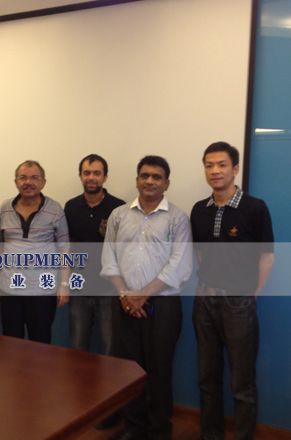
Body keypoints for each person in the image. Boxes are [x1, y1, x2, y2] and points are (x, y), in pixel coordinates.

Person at [101, 155, 192, 440]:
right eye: (144, 175)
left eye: (156, 177)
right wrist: (126, 296)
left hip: (162, 305)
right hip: (124, 302)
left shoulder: (178, 218)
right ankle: (133, 427)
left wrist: (141, 296)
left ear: (166, 183)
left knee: (159, 367)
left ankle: (159, 429)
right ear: (137, 180)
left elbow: (179, 265)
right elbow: (109, 259)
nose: (149, 181)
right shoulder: (118, 215)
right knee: (127, 370)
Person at [190, 141, 275, 440]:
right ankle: (210, 435)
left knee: (242, 383)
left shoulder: (254, 207)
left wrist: (251, 294)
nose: (215, 171)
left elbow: (267, 258)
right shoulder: (199, 209)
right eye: (209, 165)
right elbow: (200, 253)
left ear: (235, 168)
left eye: (222, 164)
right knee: (207, 378)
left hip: (238, 302)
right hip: (204, 299)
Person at [64, 154, 125, 430]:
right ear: (80, 176)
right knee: (79, 351)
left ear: (105, 177)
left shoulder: (119, 208)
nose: (91, 177)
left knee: (110, 352)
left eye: (97, 173)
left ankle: (110, 409)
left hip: (109, 290)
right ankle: (82, 406)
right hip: (78, 288)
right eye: (87, 172)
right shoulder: (70, 207)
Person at [0, 160, 70, 344]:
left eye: (34, 177)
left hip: (42, 291)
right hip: (9, 290)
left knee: (40, 344)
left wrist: (64, 283)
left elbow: (64, 249)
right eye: (23, 178)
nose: (28, 182)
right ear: (16, 182)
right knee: (11, 344)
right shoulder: (4, 208)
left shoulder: (55, 209)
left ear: (43, 182)